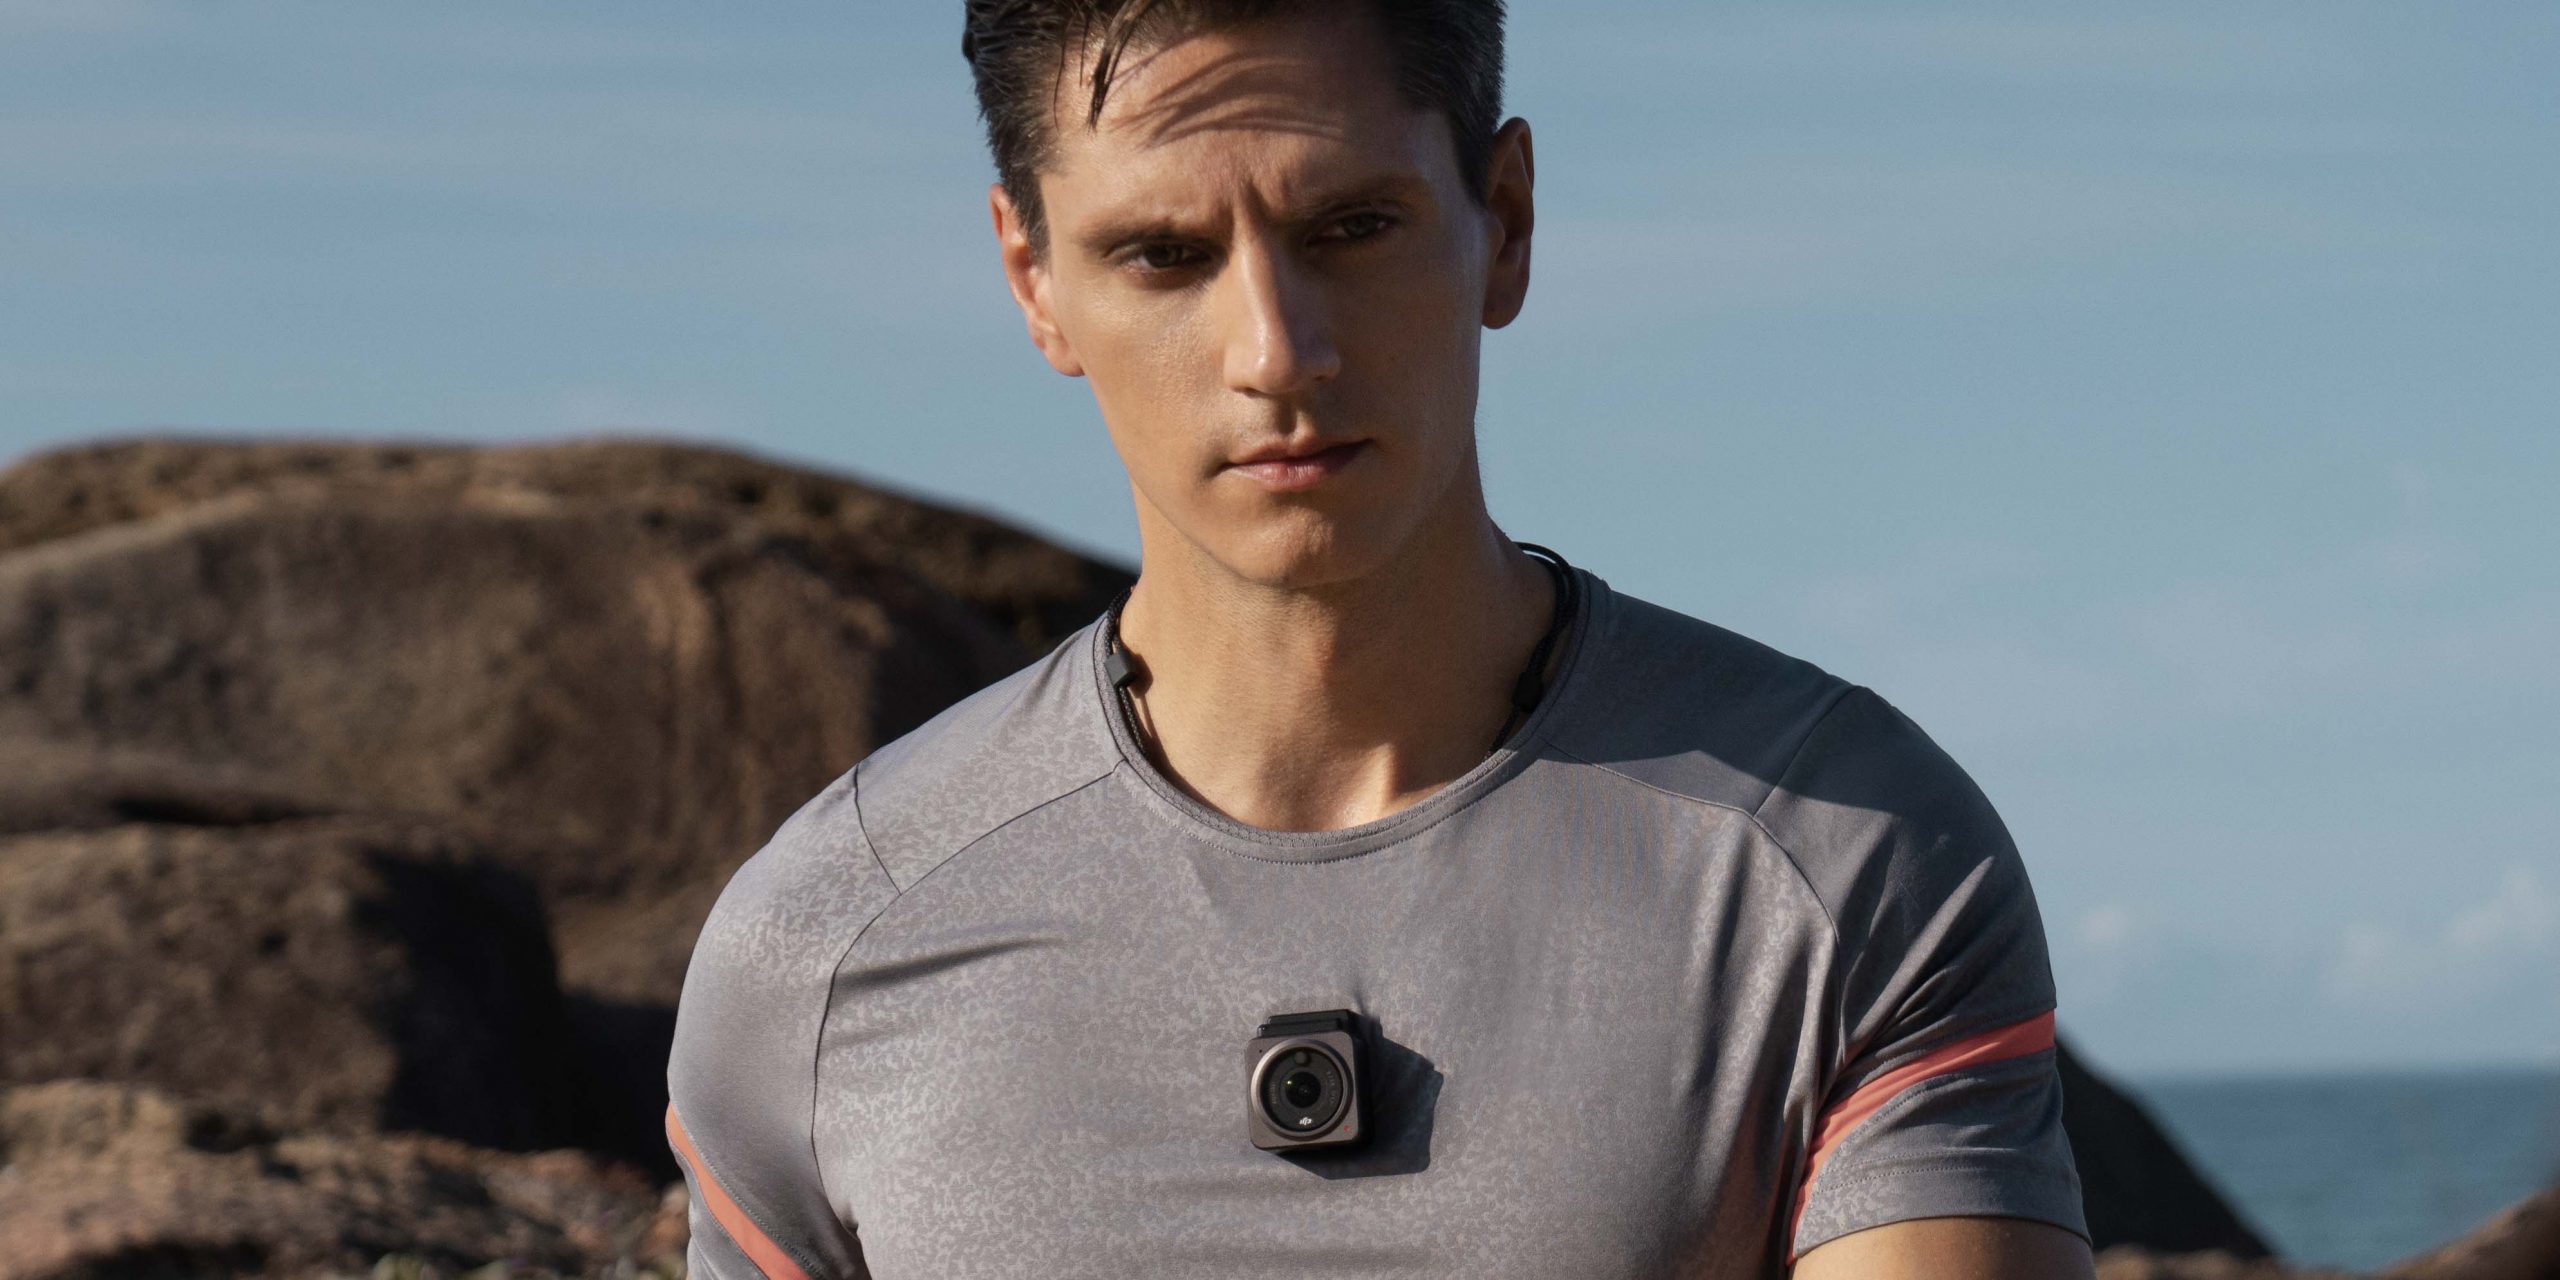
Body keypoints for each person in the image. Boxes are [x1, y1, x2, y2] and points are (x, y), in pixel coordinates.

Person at [664, 2, 2096, 1276]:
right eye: (1163, 255)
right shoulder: (827, 943)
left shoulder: (1847, 863)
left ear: (1505, 222)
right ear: (1034, 280)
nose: (1277, 352)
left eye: (1350, 228)